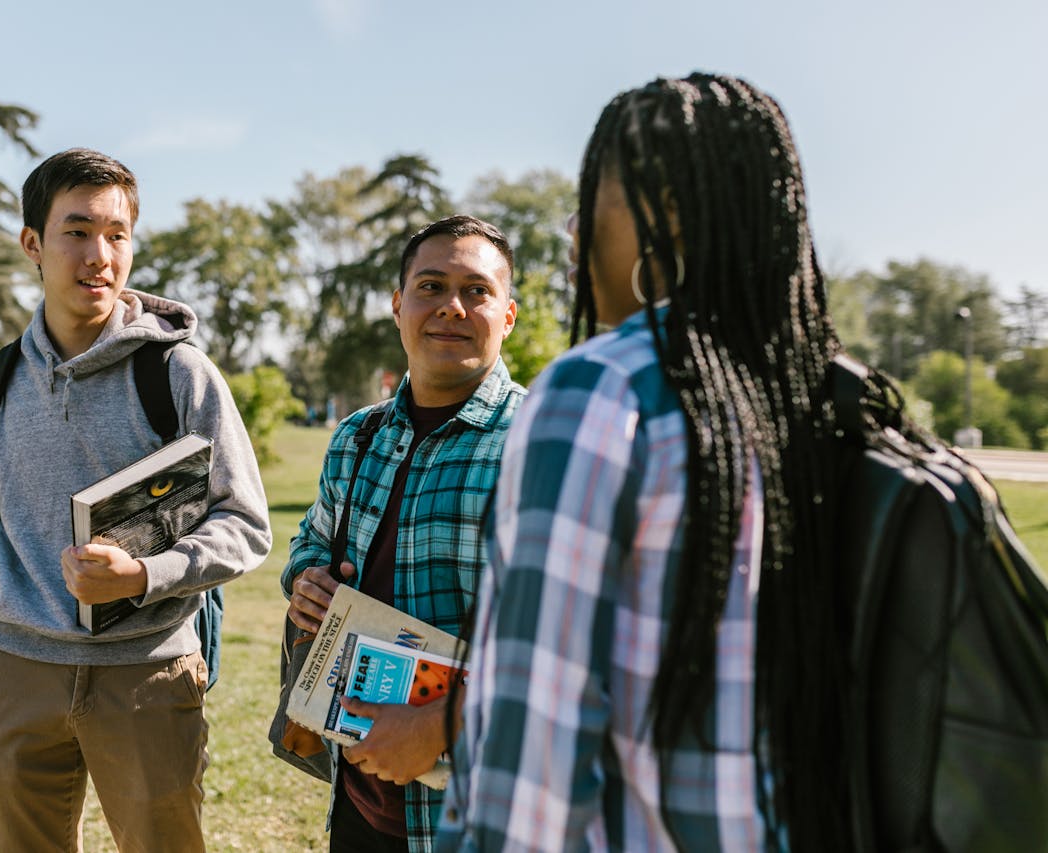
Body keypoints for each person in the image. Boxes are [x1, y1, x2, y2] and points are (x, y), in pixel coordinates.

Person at [438, 73, 870, 851]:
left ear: (665, 212)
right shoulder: (822, 393)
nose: (574, 234)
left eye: (588, 200)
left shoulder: (603, 389)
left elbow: (535, 753)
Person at [0, 148, 271, 852]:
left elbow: (247, 523)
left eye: (117, 233)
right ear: (33, 244)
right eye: (77, 231)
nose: (100, 254)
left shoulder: (178, 372)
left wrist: (146, 575)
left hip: (147, 674)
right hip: (14, 673)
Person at [283, 214, 526, 853]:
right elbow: (311, 539)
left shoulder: (538, 444)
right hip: (363, 794)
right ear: (398, 306)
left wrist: (441, 726)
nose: (451, 306)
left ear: (507, 316)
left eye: (477, 291)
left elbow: (563, 634)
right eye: (431, 286)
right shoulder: (359, 435)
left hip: (479, 806)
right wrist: (305, 579)